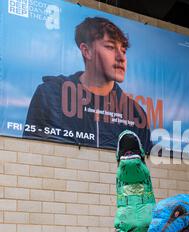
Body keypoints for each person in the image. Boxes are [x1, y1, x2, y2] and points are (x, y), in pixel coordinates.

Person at [24, 17, 152, 153]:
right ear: (86, 51)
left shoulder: (135, 113)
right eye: (110, 47)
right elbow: (31, 151)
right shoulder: (50, 95)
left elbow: (143, 165)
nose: (121, 58)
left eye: (124, 50)